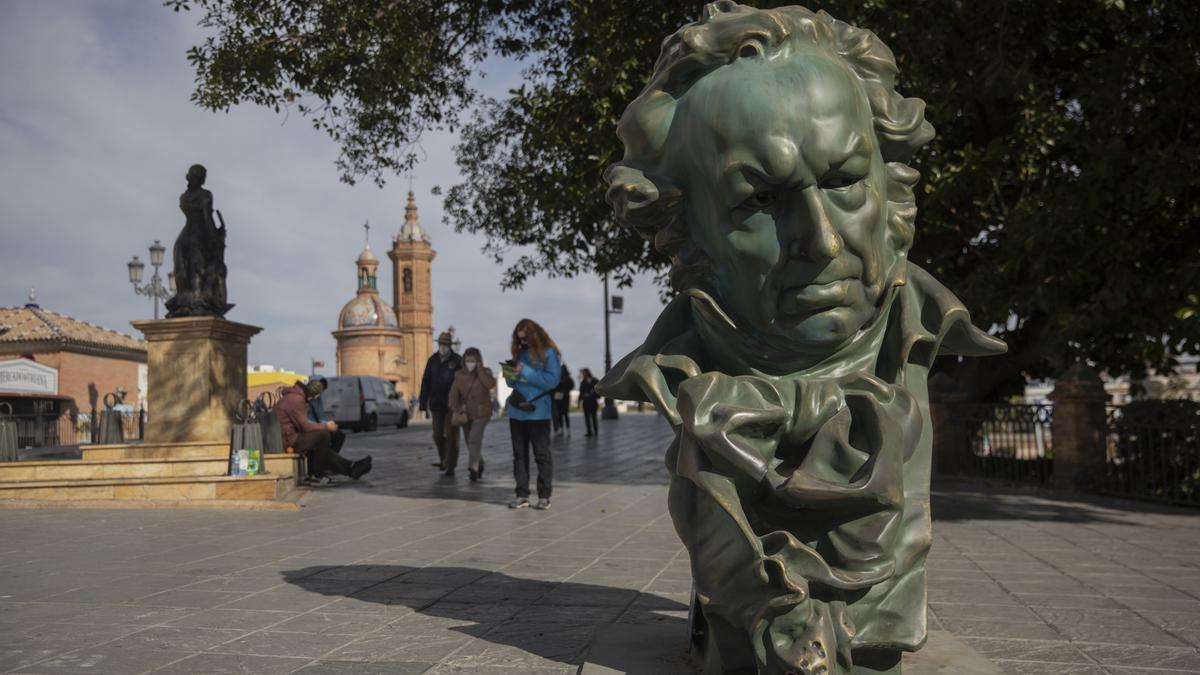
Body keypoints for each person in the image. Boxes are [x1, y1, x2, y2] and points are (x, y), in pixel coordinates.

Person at [503, 319, 561, 510]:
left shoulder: (549, 354)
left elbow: (552, 381)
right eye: (519, 339)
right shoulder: (520, 353)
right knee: (519, 456)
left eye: (525, 338)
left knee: (541, 455)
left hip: (538, 413)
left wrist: (526, 371)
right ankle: (521, 495)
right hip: (517, 411)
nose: (523, 342)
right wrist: (510, 375)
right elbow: (513, 384)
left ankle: (544, 495)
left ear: (534, 335)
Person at [278, 380, 371, 482]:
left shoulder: (294, 397)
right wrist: (326, 426)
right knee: (324, 436)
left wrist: (324, 426)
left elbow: (303, 424)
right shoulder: (296, 400)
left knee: (322, 445)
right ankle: (319, 475)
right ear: (315, 395)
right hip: (288, 441)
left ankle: (351, 467)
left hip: (286, 437)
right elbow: (306, 427)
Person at [447, 347, 496, 483]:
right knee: (470, 442)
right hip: (466, 413)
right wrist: (455, 408)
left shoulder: (486, 372)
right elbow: (453, 394)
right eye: (468, 360)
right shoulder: (459, 375)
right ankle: (480, 462)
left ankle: (473, 468)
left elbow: (490, 384)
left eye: (473, 360)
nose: (470, 363)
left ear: (478, 361)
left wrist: (479, 371)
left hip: (482, 413)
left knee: (474, 439)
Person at [420, 332, 463, 476]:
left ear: (450, 345)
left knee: (452, 435)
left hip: (452, 404)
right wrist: (422, 404)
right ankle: (443, 457)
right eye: (441, 344)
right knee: (437, 434)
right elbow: (425, 382)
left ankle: (450, 464)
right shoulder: (432, 360)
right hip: (436, 404)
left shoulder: (457, 361)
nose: (443, 346)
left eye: (446, 344)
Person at [305, 376, 345, 454]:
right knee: (328, 437)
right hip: (312, 428)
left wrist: (328, 424)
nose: (320, 394)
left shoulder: (317, 398)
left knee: (338, 435)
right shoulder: (307, 400)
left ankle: (331, 456)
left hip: (317, 425)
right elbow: (306, 421)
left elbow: (321, 415)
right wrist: (325, 426)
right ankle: (329, 457)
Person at [551, 363, 574, 437]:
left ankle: (565, 429)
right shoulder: (562, 378)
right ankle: (563, 429)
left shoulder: (565, 379)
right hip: (560, 396)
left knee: (563, 413)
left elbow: (570, 386)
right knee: (561, 414)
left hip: (563, 396)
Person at [578, 368, 600, 437]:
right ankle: (589, 431)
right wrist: (579, 402)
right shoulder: (583, 382)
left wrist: (592, 394)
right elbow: (581, 393)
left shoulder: (594, 380)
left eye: (584, 373)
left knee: (594, 417)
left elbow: (598, 389)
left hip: (593, 401)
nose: (583, 374)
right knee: (587, 418)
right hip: (586, 402)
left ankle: (595, 431)